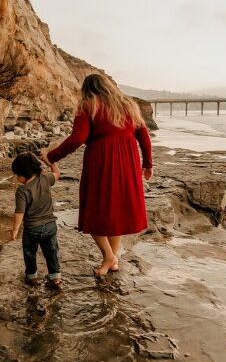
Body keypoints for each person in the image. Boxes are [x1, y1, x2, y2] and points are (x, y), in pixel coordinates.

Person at [41, 73, 152, 278]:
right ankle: (111, 259)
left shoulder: (88, 105)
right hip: (128, 162)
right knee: (116, 211)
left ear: (86, 89)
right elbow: (144, 137)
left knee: (95, 211)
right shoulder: (128, 104)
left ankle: (109, 257)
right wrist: (147, 164)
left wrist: (51, 156)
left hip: (102, 162)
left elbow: (77, 138)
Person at [10, 152, 63, 290]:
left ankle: (32, 277)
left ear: (24, 173)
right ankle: (55, 277)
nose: (16, 177)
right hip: (50, 226)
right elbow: (57, 173)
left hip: (32, 229)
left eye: (17, 174)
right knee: (51, 251)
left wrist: (15, 229)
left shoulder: (22, 190)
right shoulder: (45, 178)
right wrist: (49, 161)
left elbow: (19, 212)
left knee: (29, 252)